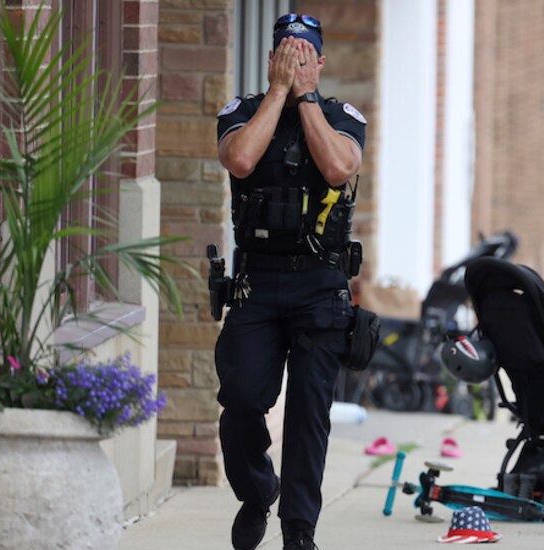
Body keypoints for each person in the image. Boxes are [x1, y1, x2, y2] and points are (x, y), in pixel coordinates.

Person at [214, 13, 367, 550]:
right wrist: (279, 92)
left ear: (320, 62)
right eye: (287, 51)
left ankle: (299, 531)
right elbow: (240, 158)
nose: (297, 59)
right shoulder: (241, 112)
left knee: (308, 415)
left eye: (306, 53)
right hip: (259, 282)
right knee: (239, 401)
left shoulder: (341, 117)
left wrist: (304, 98)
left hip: (319, 287)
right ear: (273, 58)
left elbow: (336, 169)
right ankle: (258, 493)